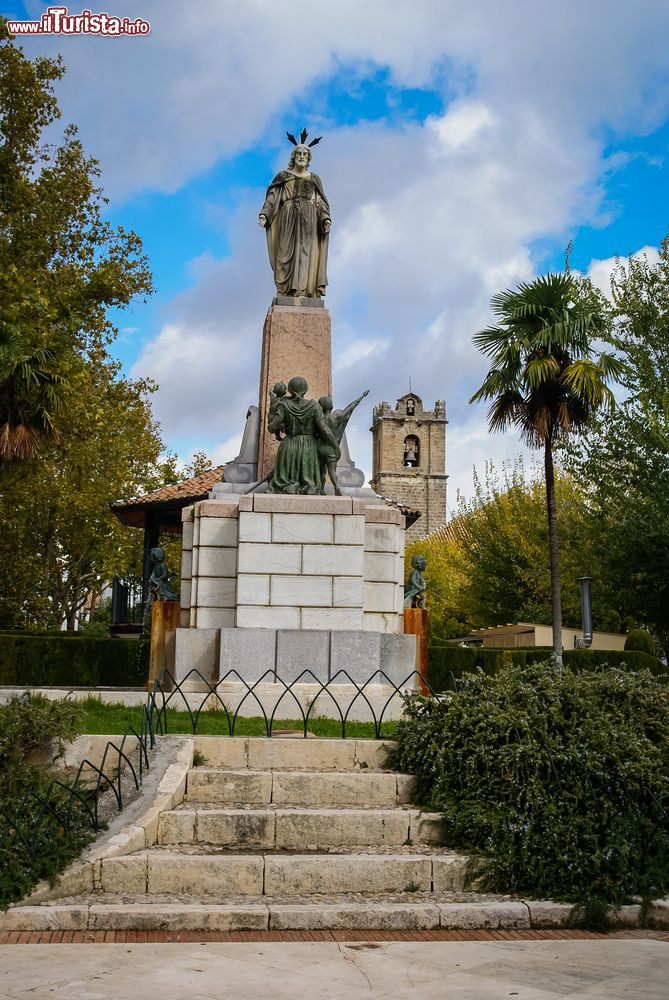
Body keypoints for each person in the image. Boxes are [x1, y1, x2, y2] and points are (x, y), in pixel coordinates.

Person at [259, 142, 331, 298]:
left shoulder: (314, 178)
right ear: (293, 156)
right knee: (284, 255)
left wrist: (325, 218)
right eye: (299, 153)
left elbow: (320, 202)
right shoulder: (283, 177)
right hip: (287, 216)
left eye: (305, 154)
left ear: (309, 158)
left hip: (308, 219)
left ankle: (303, 292)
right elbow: (272, 198)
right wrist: (265, 214)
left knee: (305, 255)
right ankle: (284, 291)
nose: (302, 157)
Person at [266, 376, 339, 494]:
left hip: (289, 445)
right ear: (305, 390)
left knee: (285, 480)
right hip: (309, 447)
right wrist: (335, 446)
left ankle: (289, 486)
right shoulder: (314, 406)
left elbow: (271, 428)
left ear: (290, 390)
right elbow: (324, 430)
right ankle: (308, 486)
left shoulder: (283, 405)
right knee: (309, 482)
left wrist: (272, 407)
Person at [318, 389, 369, 495]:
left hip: (320, 448)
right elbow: (349, 408)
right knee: (332, 471)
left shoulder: (319, 420)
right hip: (331, 449)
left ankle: (321, 489)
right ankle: (336, 486)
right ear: (331, 407)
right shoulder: (336, 417)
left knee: (322, 471)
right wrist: (360, 398)